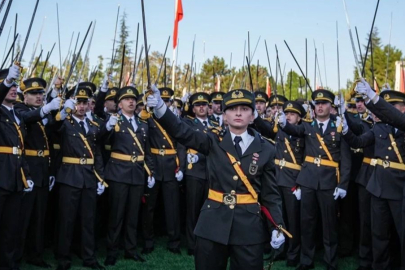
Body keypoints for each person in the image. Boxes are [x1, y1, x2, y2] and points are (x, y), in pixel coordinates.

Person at [147, 86, 285, 270]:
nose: (238, 113)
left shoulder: (266, 149)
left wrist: (278, 226)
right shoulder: (212, 140)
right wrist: (160, 109)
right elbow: (182, 132)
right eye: (232, 109)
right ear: (224, 115)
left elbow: (270, 194)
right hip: (212, 222)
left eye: (244, 109)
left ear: (253, 116)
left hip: (248, 226)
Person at [278, 89, 351, 270]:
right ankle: (306, 260)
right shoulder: (308, 126)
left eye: (324, 103)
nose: (320, 106)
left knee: (329, 225)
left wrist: (343, 185)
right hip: (308, 180)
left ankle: (330, 261)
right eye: (317, 104)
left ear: (330, 106)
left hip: (329, 182)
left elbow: (346, 160)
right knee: (307, 223)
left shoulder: (339, 126)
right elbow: (293, 129)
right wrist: (282, 124)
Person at [344, 83, 405, 269]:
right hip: (378, 186)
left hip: (400, 187)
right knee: (378, 234)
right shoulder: (380, 128)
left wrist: (374, 97)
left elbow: (396, 118)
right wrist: (346, 130)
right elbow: (360, 141)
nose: (386, 111)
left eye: (391, 107)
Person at [100, 86, 154, 266]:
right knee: (116, 215)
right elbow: (99, 140)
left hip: (137, 173)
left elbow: (147, 151)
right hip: (118, 173)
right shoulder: (113, 121)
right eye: (127, 99)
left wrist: (150, 171)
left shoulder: (143, 123)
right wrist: (108, 127)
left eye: (133, 99)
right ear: (120, 103)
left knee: (133, 215)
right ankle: (112, 251)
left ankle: (131, 250)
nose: (131, 102)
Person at [53, 86, 106, 270]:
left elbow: (97, 153)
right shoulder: (65, 122)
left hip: (89, 177)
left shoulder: (93, 126)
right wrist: (63, 109)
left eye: (84, 103)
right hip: (69, 176)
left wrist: (100, 177)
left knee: (88, 220)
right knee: (67, 220)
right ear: (73, 104)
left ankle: (89, 258)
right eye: (78, 103)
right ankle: (63, 258)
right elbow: (54, 127)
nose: (81, 107)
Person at [13, 77, 61, 268]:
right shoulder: (20, 109)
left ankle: (35, 254)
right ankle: (16, 255)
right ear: (24, 96)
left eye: (41, 93)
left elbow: (53, 133)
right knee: (22, 218)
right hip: (27, 170)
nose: (39, 96)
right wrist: (47, 109)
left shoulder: (43, 113)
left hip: (42, 169)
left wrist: (60, 112)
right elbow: (29, 118)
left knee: (39, 217)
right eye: (34, 93)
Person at [254, 100, 306, 267]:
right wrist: (255, 116)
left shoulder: (304, 133)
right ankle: (279, 250)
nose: (289, 116)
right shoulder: (279, 130)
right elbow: (265, 129)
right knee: (278, 219)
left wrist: (300, 183)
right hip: (277, 178)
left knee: (293, 220)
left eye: (292, 114)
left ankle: (293, 253)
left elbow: (307, 160)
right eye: (287, 113)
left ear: (299, 118)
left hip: (293, 181)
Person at [141, 87, 185, 255]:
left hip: (171, 166)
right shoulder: (147, 118)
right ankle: (148, 240)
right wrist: (149, 169)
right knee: (149, 207)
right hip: (153, 165)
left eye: (167, 101)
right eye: (163, 100)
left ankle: (174, 242)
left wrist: (180, 166)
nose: (165, 103)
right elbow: (144, 144)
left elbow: (180, 144)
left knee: (172, 207)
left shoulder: (173, 119)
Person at [0, 65, 34, 269]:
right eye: (9, 85)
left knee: (11, 227)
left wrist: (26, 174)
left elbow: (20, 148)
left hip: (15, 175)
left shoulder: (17, 113)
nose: (14, 89)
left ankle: (8, 264)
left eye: (15, 85)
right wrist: (6, 82)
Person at [181, 92, 219, 255]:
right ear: (193, 109)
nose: (201, 107)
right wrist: (182, 167)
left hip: (211, 171)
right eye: (198, 105)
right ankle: (192, 244)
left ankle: (207, 242)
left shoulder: (215, 123)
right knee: (193, 210)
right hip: (194, 170)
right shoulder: (188, 123)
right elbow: (182, 145)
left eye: (204, 104)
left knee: (209, 210)